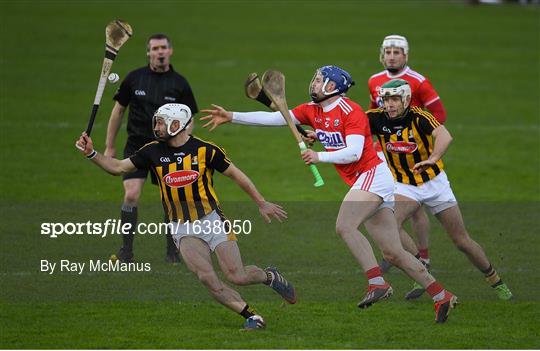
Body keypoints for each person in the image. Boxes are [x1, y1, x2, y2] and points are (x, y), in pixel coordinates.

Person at [201, 65, 458, 323]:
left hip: (373, 176)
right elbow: (278, 118)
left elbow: (355, 152)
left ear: (333, 86)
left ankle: (377, 283)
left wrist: (318, 155)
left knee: (345, 226)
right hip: (364, 181)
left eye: (320, 80)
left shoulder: (352, 111)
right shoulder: (313, 111)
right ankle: (441, 295)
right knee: (393, 252)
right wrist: (231, 116)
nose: (314, 83)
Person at [76, 103, 295, 330]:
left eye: (162, 122)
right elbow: (119, 167)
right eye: (157, 122)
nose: (157, 127)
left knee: (236, 275)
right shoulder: (151, 151)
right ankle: (252, 316)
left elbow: (237, 176)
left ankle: (269, 276)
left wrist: (261, 202)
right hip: (181, 228)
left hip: (211, 221)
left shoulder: (206, 150)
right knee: (207, 278)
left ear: (177, 124)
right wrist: (91, 153)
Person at [367, 79, 513, 301]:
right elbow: (349, 130)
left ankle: (495, 280)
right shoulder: (375, 118)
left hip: (435, 184)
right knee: (390, 225)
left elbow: (445, 136)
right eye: (386, 99)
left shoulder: (419, 116)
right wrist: (317, 136)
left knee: (461, 241)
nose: (390, 104)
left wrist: (433, 158)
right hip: (405, 186)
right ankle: (421, 267)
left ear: (406, 99)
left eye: (395, 99)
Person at [105, 33, 198, 263]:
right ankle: (126, 250)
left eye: (163, 48)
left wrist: (184, 143)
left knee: (171, 200)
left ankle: (172, 251)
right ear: (148, 52)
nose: (159, 52)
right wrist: (109, 146)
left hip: (167, 149)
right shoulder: (134, 79)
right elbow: (118, 112)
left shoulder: (179, 83)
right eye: (155, 48)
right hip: (137, 146)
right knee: (131, 194)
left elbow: (190, 118)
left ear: (170, 51)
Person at [367, 34, 447, 298]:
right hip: (391, 151)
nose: (391, 56)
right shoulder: (375, 81)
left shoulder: (419, 82)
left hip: (418, 153)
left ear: (406, 55)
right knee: (396, 205)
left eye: (397, 52)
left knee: (413, 209)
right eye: (387, 51)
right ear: (382, 54)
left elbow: (440, 115)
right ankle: (403, 254)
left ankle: (419, 257)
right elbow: (372, 114)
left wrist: (419, 136)